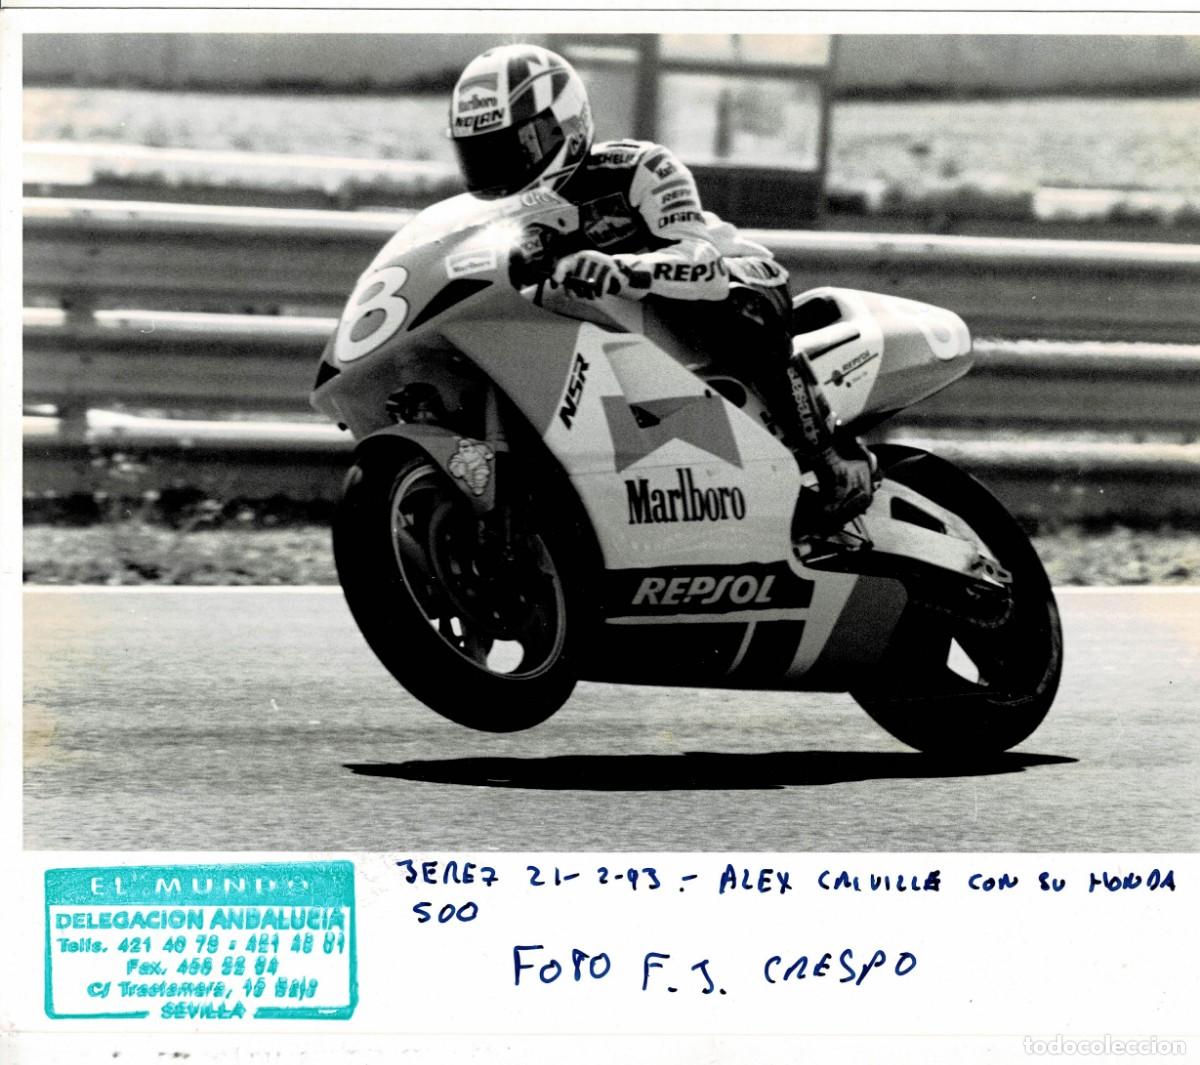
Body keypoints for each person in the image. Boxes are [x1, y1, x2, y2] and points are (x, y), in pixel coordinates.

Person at [448, 43, 874, 536]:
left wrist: (623, 270)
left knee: (737, 305)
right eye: (483, 155)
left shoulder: (636, 168)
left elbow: (701, 261)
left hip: (733, 278)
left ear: (565, 125)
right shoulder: (494, 218)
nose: (500, 170)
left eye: (515, 147)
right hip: (631, 338)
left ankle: (832, 452)